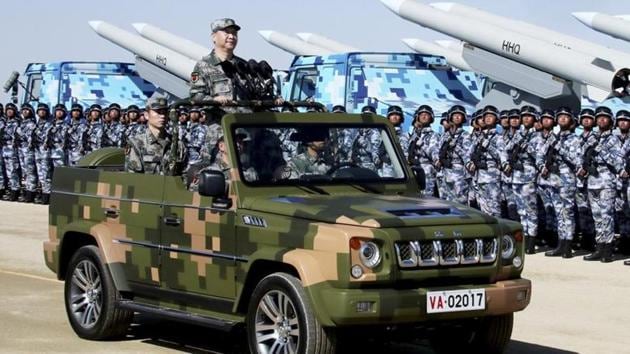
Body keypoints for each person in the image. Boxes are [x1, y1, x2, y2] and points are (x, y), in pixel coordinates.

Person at [579, 106, 625, 263]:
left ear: (610, 121)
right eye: (599, 117)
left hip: (606, 182)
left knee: (607, 216)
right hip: (592, 181)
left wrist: (602, 152)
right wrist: (582, 168)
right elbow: (583, 155)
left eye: (605, 117)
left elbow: (618, 162)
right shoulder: (591, 137)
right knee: (597, 217)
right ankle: (599, 248)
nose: (601, 120)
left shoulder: (613, 139)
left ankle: (608, 250)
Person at [538, 107, 582, 258]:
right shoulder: (554, 137)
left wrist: (560, 149)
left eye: (566, 116)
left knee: (567, 213)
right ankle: (561, 244)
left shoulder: (574, 139)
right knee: (559, 213)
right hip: (553, 180)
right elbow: (543, 155)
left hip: (567, 180)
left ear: (571, 120)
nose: (562, 119)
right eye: (560, 116)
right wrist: (543, 166)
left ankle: (568, 245)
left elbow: (576, 160)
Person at [505, 107, 540, 254]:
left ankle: (531, 240)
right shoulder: (517, 134)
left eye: (529, 116)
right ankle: (524, 237)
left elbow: (539, 155)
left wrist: (528, 147)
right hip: (516, 176)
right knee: (521, 210)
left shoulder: (537, 136)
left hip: (528, 175)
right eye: (523, 116)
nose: (526, 119)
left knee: (530, 209)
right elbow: (507, 149)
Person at [125, 95, 186, 175]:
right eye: (158, 112)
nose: (162, 116)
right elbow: (133, 178)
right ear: (146, 115)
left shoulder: (177, 145)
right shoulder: (137, 144)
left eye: (165, 112)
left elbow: (185, 175)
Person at [466, 105, 507, 217]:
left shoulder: (498, 137)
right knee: (483, 209)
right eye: (486, 116)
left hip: (492, 176)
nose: (488, 118)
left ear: (496, 119)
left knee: (495, 208)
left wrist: (489, 146)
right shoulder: (479, 137)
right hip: (479, 176)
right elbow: (468, 154)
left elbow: (502, 157)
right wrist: (469, 163)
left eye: (491, 116)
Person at [434, 105, 471, 204]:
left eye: (460, 115)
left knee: (460, 202)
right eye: (455, 115)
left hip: (459, 172)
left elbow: (468, 155)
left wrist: (456, 146)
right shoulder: (445, 135)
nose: (457, 117)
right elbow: (438, 150)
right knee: (447, 202)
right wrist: (437, 160)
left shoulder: (465, 135)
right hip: (445, 171)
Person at [575, 108, 597, 251]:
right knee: (582, 211)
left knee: (594, 212)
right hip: (578, 180)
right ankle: (586, 241)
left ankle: (594, 241)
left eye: (589, 118)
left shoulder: (596, 138)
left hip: (594, 180)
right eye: (584, 118)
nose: (586, 120)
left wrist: (588, 169)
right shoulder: (578, 138)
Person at [408, 105, 439, 196]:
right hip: (413, 168)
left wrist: (423, 145)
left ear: (431, 118)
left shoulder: (433, 135)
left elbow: (434, 155)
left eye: (427, 115)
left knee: (426, 198)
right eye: (421, 114)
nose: (424, 116)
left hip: (426, 169)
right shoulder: (414, 134)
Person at [16, 103, 37, 202]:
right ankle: (25, 192)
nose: (25, 111)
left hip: (28, 151)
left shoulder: (31, 124)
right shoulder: (20, 123)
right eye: (23, 110)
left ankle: (30, 194)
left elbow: (30, 139)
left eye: (27, 110)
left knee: (30, 172)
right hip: (21, 150)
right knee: (24, 172)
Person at [32, 103, 53, 204]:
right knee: (40, 174)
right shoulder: (36, 124)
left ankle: (46, 196)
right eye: (40, 110)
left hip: (45, 152)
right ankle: (42, 194)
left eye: (44, 110)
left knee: (46, 175)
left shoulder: (49, 124)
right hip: (37, 152)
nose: (42, 112)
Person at [1, 103, 20, 201]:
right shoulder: (5, 122)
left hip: (12, 149)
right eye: (7, 109)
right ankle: (9, 190)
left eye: (11, 109)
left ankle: (15, 191)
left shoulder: (16, 123)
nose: (9, 111)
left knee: (13, 171)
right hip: (4, 149)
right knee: (7, 172)